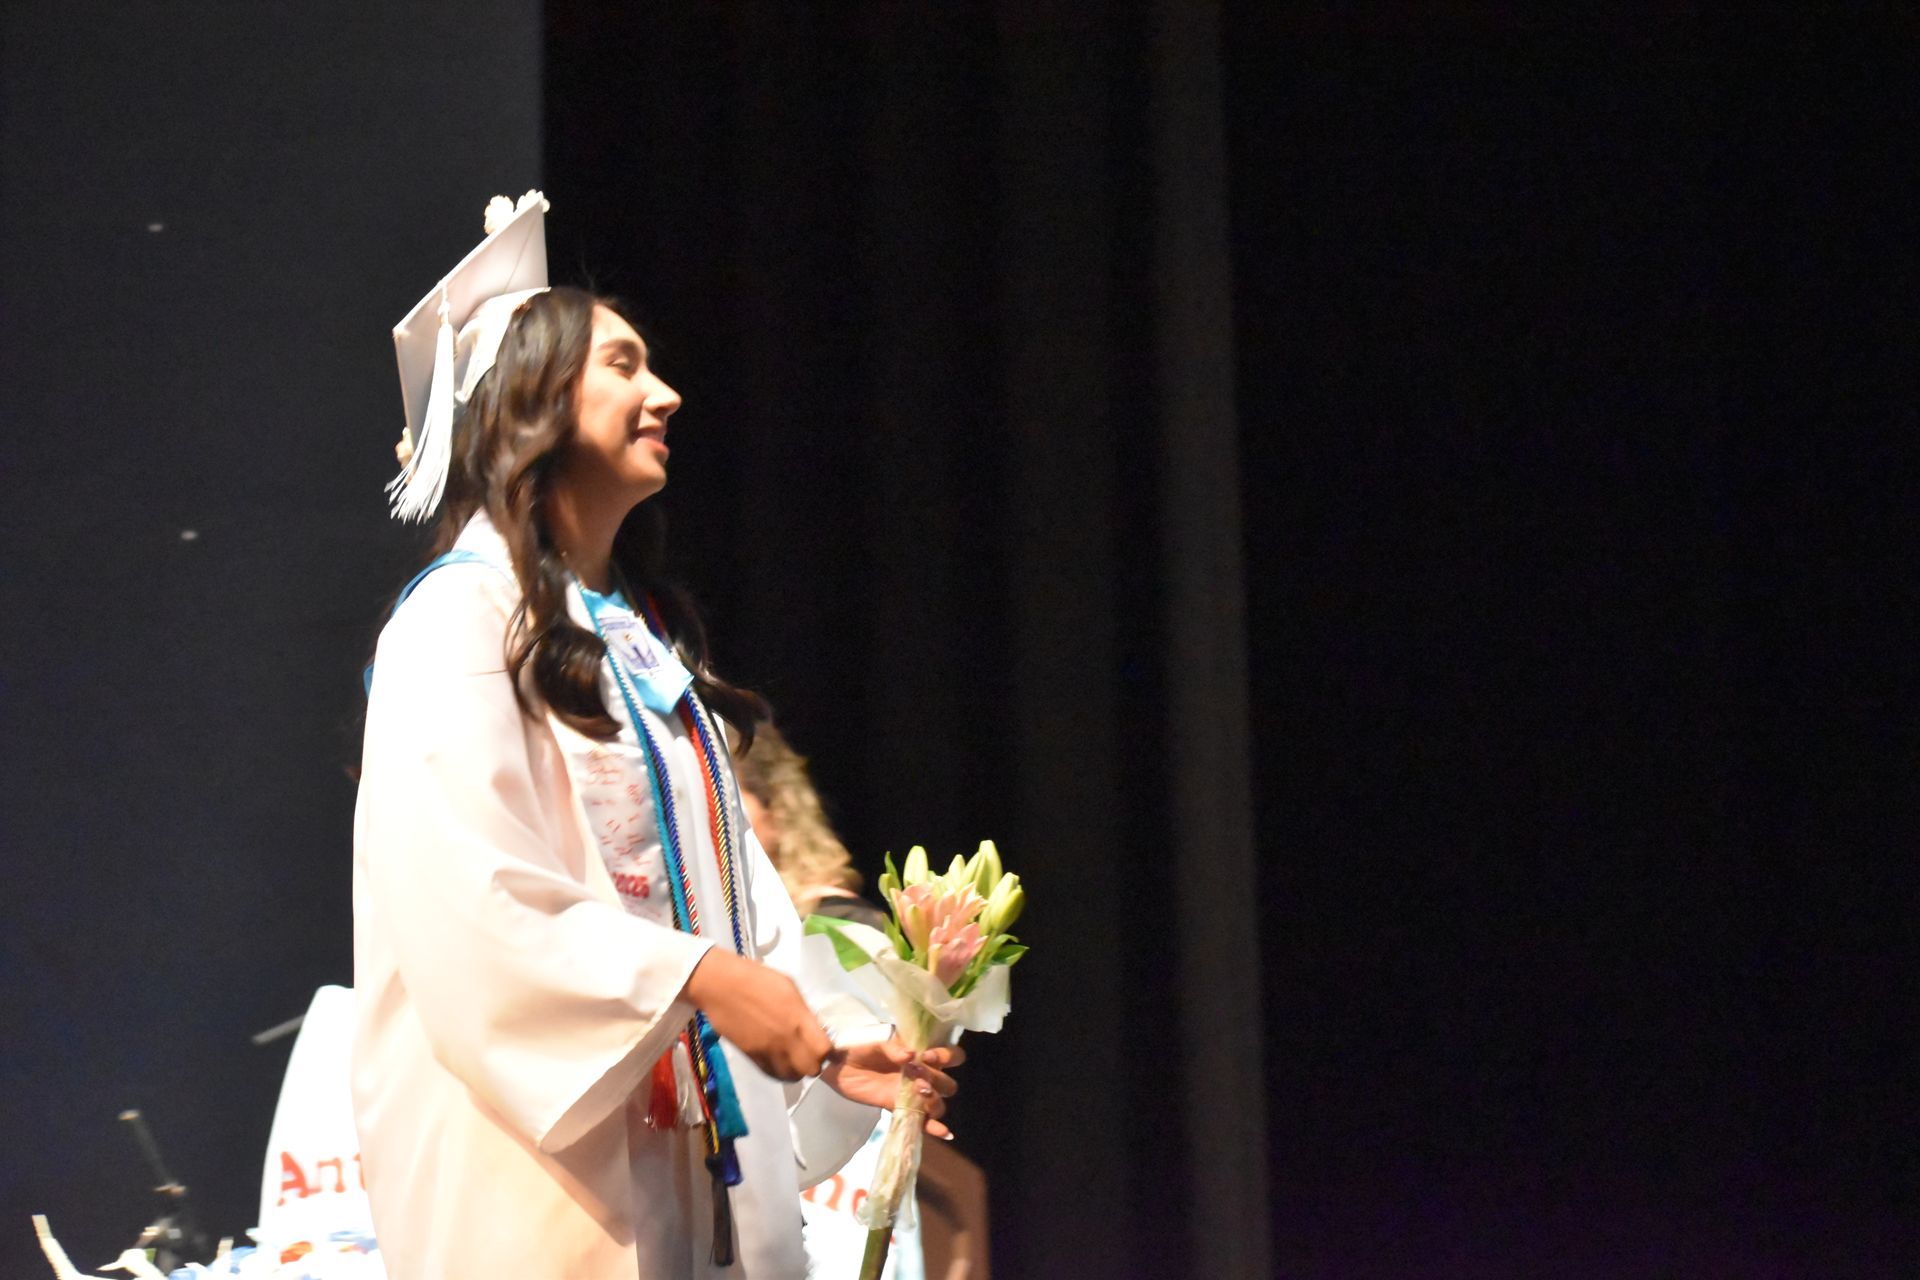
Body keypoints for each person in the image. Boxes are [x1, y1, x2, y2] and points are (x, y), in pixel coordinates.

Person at [352, 192, 961, 1278]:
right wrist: (697, 978)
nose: (666, 393)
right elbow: (473, 905)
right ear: (533, 401)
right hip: (551, 1179)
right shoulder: (453, 623)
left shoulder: (636, 645)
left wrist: (821, 1047)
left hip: (692, 1162)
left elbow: (732, 902)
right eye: (622, 365)